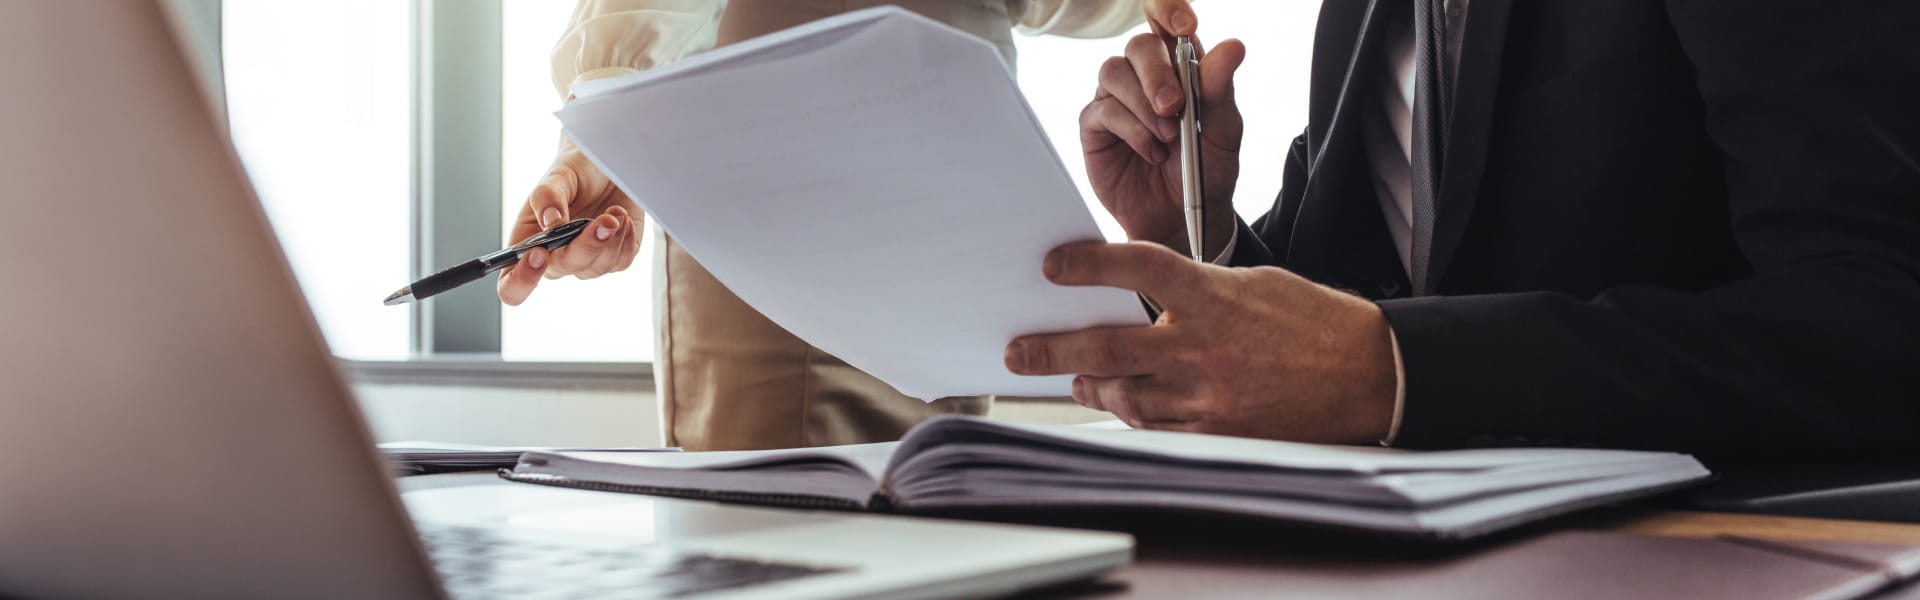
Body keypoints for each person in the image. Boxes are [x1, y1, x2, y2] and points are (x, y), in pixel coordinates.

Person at [1004, 0, 1920, 462]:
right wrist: (1196, 237)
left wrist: (1398, 371)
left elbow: (1882, 314)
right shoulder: (1364, 12)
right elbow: (1362, 298)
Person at [496, 0, 1152, 451]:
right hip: (784, 190)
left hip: (961, 201)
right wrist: (615, 112)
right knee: (783, 531)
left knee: (935, 522)